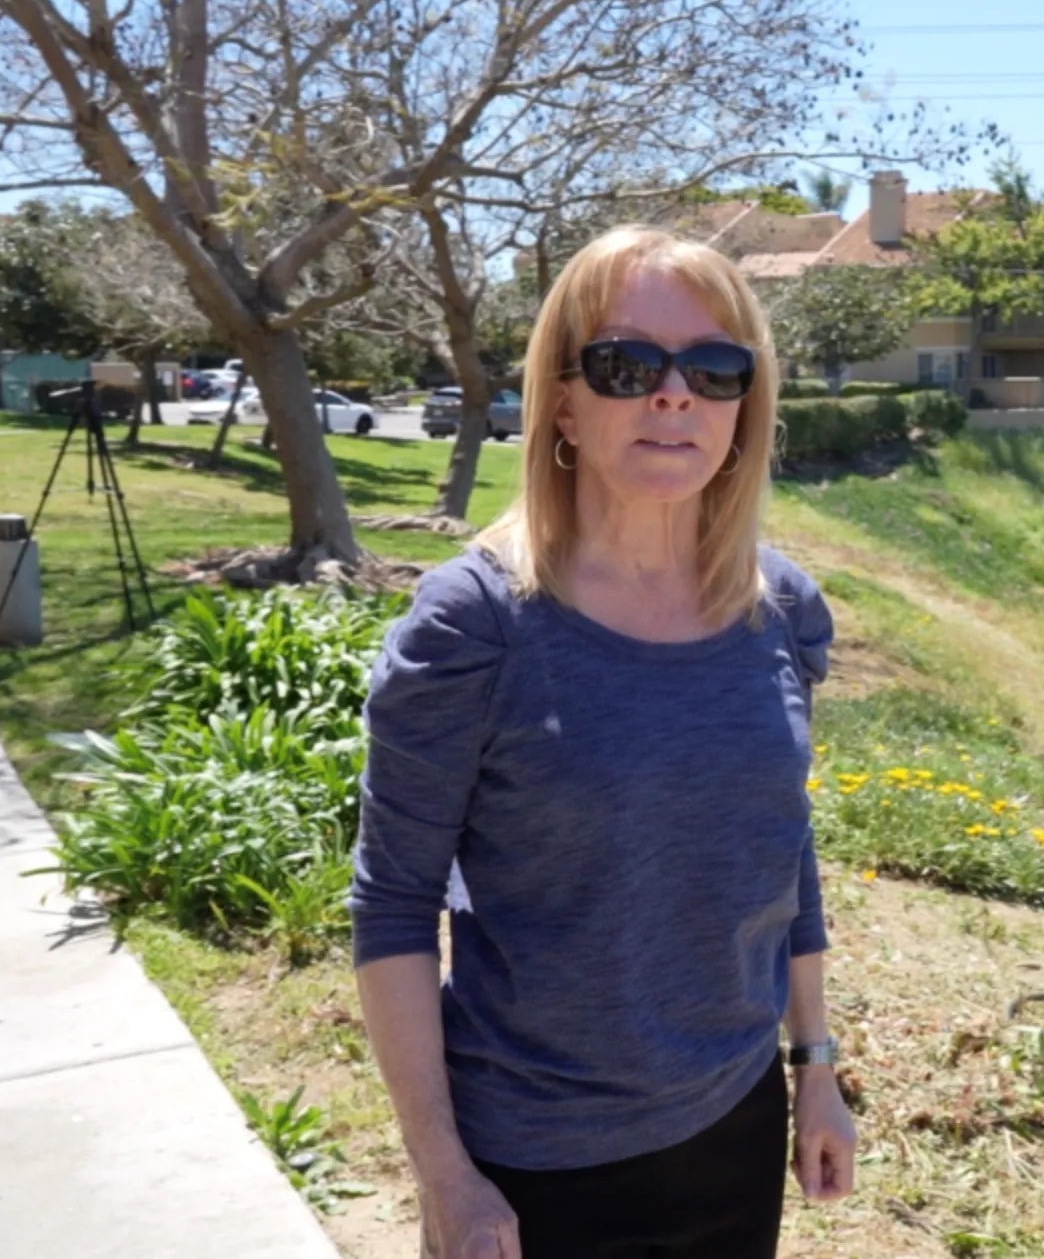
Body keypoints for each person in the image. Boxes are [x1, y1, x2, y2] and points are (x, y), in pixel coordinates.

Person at [349, 225, 856, 1259]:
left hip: (735, 1124)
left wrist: (815, 1065)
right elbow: (394, 905)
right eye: (630, 364)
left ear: (742, 408)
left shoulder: (781, 608)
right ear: (565, 398)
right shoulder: (474, 624)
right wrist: (444, 1174)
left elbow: (782, 849)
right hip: (537, 1167)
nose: (677, 395)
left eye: (715, 369)